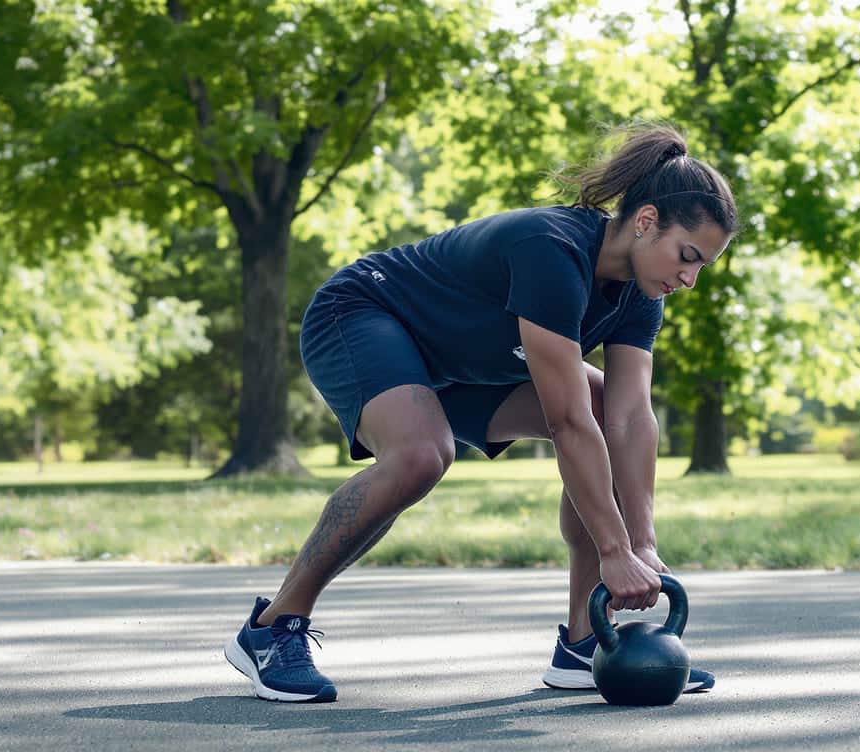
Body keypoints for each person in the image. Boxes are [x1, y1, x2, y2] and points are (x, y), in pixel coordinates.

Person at [224, 124, 738, 703]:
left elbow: (630, 420)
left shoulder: (643, 294)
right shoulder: (553, 250)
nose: (689, 279)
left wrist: (642, 543)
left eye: (702, 267)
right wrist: (614, 551)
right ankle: (272, 629)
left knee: (603, 405)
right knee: (422, 454)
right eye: (687, 257)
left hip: (466, 364)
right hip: (363, 314)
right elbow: (568, 424)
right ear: (645, 222)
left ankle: (585, 640)